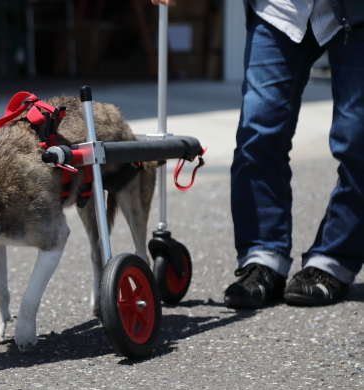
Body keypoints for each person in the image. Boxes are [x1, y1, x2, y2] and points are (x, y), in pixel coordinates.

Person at [153, 0, 364, 308]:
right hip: (280, 9)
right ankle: (264, 256)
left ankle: (335, 259)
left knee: (357, 139)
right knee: (258, 132)